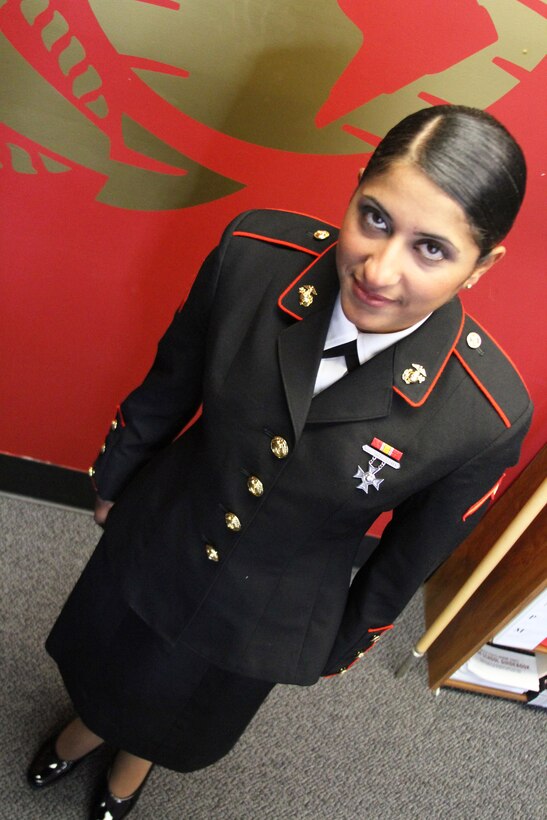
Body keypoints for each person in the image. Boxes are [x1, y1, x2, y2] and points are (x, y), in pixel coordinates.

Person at [28, 105, 532, 819]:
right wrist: (117, 474)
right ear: (355, 188)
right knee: (109, 649)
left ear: (481, 266)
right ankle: (88, 728)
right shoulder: (254, 257)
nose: (379, 269)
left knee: (184, 702)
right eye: (375, 218)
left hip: (272, 602)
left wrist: (344, 640)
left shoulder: (481, 413)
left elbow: (405, 557)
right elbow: (171, 378)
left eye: (430, 249)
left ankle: (132, 766)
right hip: (169, 524)